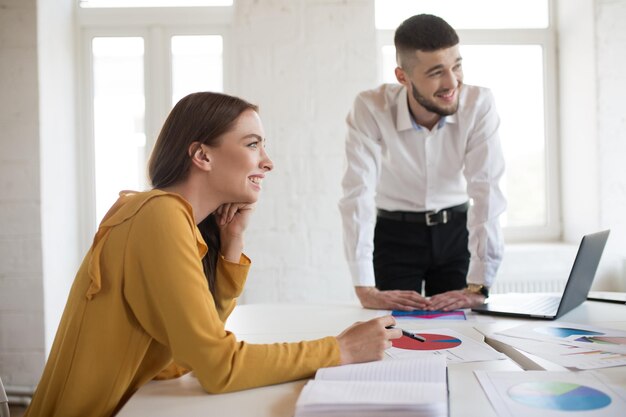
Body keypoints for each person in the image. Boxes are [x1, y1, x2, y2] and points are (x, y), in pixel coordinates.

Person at [25, 92, 401, 417]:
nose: (267, 162)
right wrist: (340, 350)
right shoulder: (159, 215)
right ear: (202, 156)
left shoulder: (171, 218)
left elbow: (189, 354)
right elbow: (219, 367)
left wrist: (231, 242)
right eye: (253, 144)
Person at [339, 14, 506, 312]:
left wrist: (480, 284)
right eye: (436, 72)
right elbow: (357, 194)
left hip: (455, 232)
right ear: (403, 77)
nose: (452, 82)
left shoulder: (479, 104)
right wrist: (364, 287)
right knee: (397, 335)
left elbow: (487, 191)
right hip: (395, 235)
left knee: (463, 334)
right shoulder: (370, 107)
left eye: (457, 66)